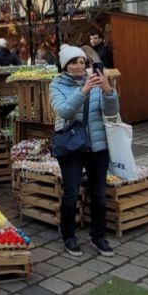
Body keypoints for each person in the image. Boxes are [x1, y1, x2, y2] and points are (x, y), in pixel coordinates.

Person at [50, 44, 119, 257]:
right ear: (65, 66)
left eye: (82, 61)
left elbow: (112, 112)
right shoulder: (56, 85)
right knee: (71, 193)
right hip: (72, 146)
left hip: (97, 146)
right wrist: (83, 90)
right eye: (74, 62)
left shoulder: (97, 81)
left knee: (99, 194)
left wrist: (108, 91)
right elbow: (64, 110)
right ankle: (69, 236)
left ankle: (99, 237)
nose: (80, 66)